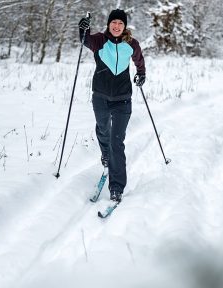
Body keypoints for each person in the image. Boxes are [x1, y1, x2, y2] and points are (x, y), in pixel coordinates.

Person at [78, 9, 146, 203]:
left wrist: (141, 74)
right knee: (102, 129)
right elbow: (85, 40)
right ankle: (105, 155)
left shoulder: (131, 44)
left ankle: (116, 187)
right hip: (100, 96)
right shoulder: (99, 41)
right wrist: (83, 28)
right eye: (114, 22)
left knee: (117, 142)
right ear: (109, 24)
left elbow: (139, 61)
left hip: (123, 99)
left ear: (125, 27)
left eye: (120, 23)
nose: (117, 26)